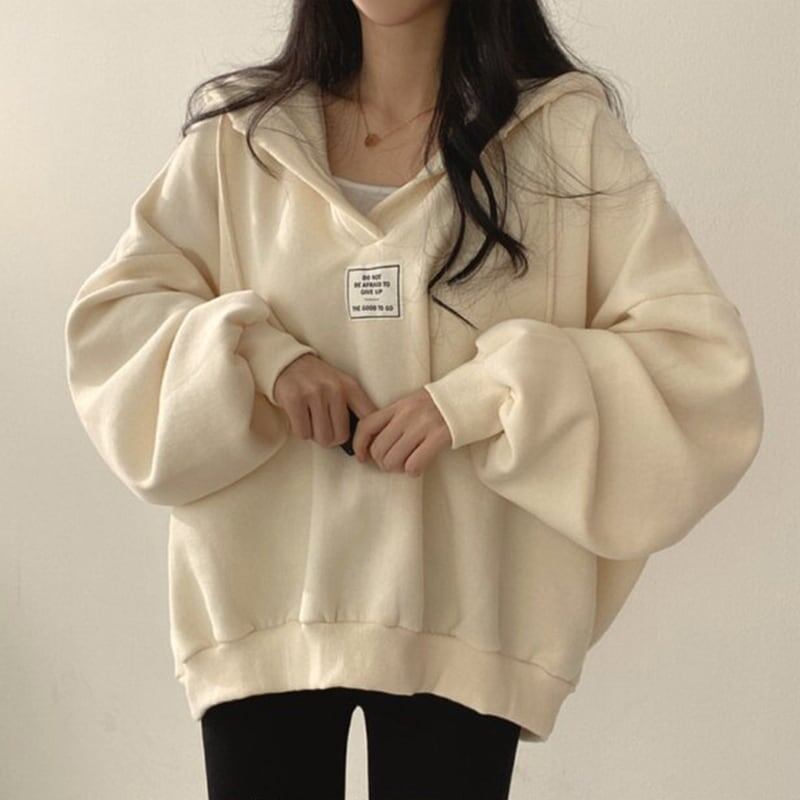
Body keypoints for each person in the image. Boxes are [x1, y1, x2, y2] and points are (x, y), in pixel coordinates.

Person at [63, 0, 765, 798]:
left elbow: (699, 367)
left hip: (474, 620)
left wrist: (486, 397)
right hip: (261, 614)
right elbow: (115, 323)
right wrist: (262, 357)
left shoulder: (567, 140)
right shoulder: (242, 139)